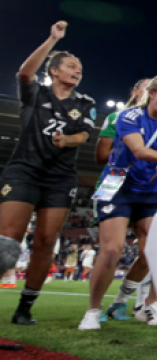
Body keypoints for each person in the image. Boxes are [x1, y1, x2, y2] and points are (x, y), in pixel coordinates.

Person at [0, 22, 97, 325]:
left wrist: (66, 140)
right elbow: (24, 73)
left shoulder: (86, 104)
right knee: (8, 239)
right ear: (54, 70)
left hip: (59, 179)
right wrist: (52, 39)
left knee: (45, 240)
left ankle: (25, 308)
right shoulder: (33, 93)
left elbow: (82, 137)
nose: (77, 71)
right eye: (71, 66)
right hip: (23, 171)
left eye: (79, 68)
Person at [80, 75, 157, 330]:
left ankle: (150, 305)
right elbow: (139, 151)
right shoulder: (128, 117)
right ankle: (93, 311)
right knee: (112, 250)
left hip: (151, 192)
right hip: (118, 189)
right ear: (152, 93)